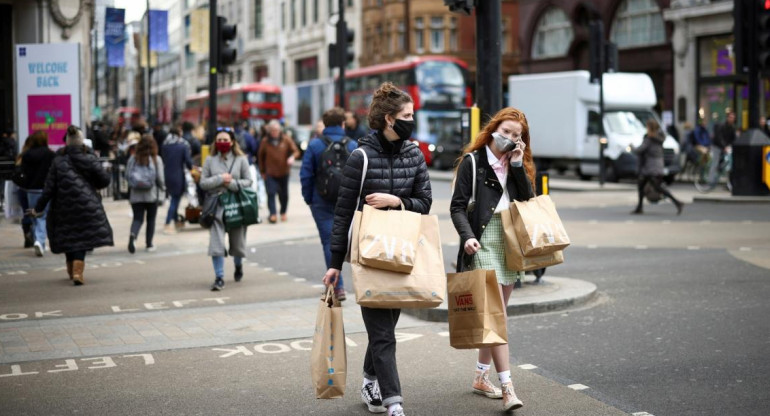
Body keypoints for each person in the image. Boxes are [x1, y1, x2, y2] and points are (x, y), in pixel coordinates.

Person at [322, 82, 432, 416]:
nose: (412, 120)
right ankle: (394, 402)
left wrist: (396, 201)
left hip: (402, 252)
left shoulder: (414, 154)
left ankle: (370, 376)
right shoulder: (361, 157)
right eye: (407, 115)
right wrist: (335, 264)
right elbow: (342, 213)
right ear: (388, 119)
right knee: (383, 333)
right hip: (369, 254)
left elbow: (425, 202)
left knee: (386, 327)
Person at [450, 107, 533, 412]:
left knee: (496, 317)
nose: (510, 137)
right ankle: (508, 387)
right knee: (497, 318)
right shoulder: (473, 162)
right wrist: (467, 235)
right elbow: (457, 207)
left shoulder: (515, 164)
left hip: (509, 243)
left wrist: (518, 166)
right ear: (495, 128)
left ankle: (480, 377)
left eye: (517, 135)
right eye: (507, 131)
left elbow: (527, 202)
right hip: (482, 241)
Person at [27, 125, 114, 285]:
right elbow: (104, 180)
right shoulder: (89, 158)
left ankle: (71, 268)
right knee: (82, 238)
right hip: (87, 205)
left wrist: (38, 208)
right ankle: (78, 272)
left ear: (66, 142)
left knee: (69, 236)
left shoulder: (58, 161)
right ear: (81, 143)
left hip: (62, 207)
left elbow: (48, 188)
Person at [300, 107, 357, 301]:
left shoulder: (315, 145)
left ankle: (337, 287)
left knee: (329, 242)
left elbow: (306, 175)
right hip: (347, 201)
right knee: (350, 243)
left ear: (324, 124)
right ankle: (358, 283)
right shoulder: (352, 145)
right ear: (343, 124)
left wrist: (309, 198)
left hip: (321, 201)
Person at [199, 127, 252, 291]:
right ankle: (219, 277)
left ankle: (238, 265)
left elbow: (248, 181)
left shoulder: (241, 159)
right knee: (216, 243)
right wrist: (219, 179)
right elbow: (203, 183)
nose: (222, 143)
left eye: (225, 140)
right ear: (215, 142)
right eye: (219, 140)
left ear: (232, 142)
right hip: (216, 207)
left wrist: (233, 184)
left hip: (235, 205)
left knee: (237, 244)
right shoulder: (210, 160)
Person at [632, 119, 684, 215]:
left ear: (650, 128)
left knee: (657, 188)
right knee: (642, 185)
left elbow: (639, 150)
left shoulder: (649, 139)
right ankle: (639, 207)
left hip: (650, 168)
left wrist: (632, 148)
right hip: (657, 166)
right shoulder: (659, 139)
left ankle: (677, 202)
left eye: (647, 127)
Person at [126, 135, 165, 253]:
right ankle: (149, 244)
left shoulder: (133, 159)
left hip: (136, 195)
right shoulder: (156, 159)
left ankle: (133, 235)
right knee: (151, 219)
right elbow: (160, 178)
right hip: (151, 195)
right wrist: (163, 189)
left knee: (137, 218)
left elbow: (127, 175)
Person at [19, 131, 55, 256]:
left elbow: (22, 171)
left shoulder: (27, 154)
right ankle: (40, 241)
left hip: (31, 189)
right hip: (45, 189)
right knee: (42, 215)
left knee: (33, 215)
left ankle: (37, 239)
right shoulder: (50, 154)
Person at [257, 120, 300, 224]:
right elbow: (260, 156)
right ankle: (273, 214)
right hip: (270, 172)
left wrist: (292, 157)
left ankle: (283, 212)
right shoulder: (265, 141)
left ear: (279, 130)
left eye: (276, 130)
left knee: (283, 194)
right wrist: (262, 171)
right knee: (271, 193)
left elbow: (296, 151)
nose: (274, 132)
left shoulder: (286, 139)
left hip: (283, 171)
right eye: (272, 130)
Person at [161, 126, 193, 234]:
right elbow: (188, 162)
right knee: (175, 200)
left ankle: (176, 222)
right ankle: (167, 223)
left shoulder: (165, 145)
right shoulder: (182, 146)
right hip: (178, 175)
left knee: (173, 199)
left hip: (167, 175)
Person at [708, 111, 737, 189]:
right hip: (717, 146)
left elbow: (734, 139)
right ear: (727, 118)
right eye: (730, 117)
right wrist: (724, 146)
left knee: (728, 162)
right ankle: (710, 181)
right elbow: (719, 137)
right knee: (715, 161)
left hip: (726, 146)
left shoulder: (733, 127)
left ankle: (728, 181)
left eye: (733, 118)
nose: (732, 119)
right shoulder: (722, 125)